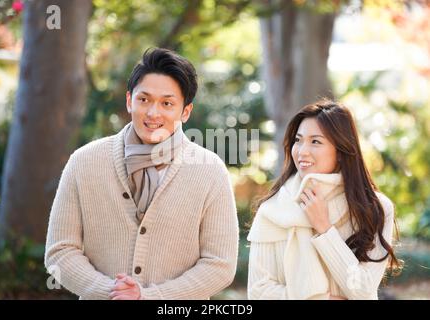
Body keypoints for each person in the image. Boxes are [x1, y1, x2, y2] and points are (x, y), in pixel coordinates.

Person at [45, 48, 239, 300]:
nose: (152, 113)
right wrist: (112, 293)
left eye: (167, 103)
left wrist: (150, 297)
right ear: (129, 100)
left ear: (185, 112)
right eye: (144, 99)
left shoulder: (209, 171)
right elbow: (60, 251)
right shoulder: (84, 162)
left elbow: (220, 264)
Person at [247, 99, 401, 300]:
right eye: (298, 140)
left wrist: (325, 229)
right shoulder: (273, 209)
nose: (302, 151)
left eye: (315, 141)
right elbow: (258, 291)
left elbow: (363, 291)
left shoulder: (376, 208)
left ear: (341, 151)